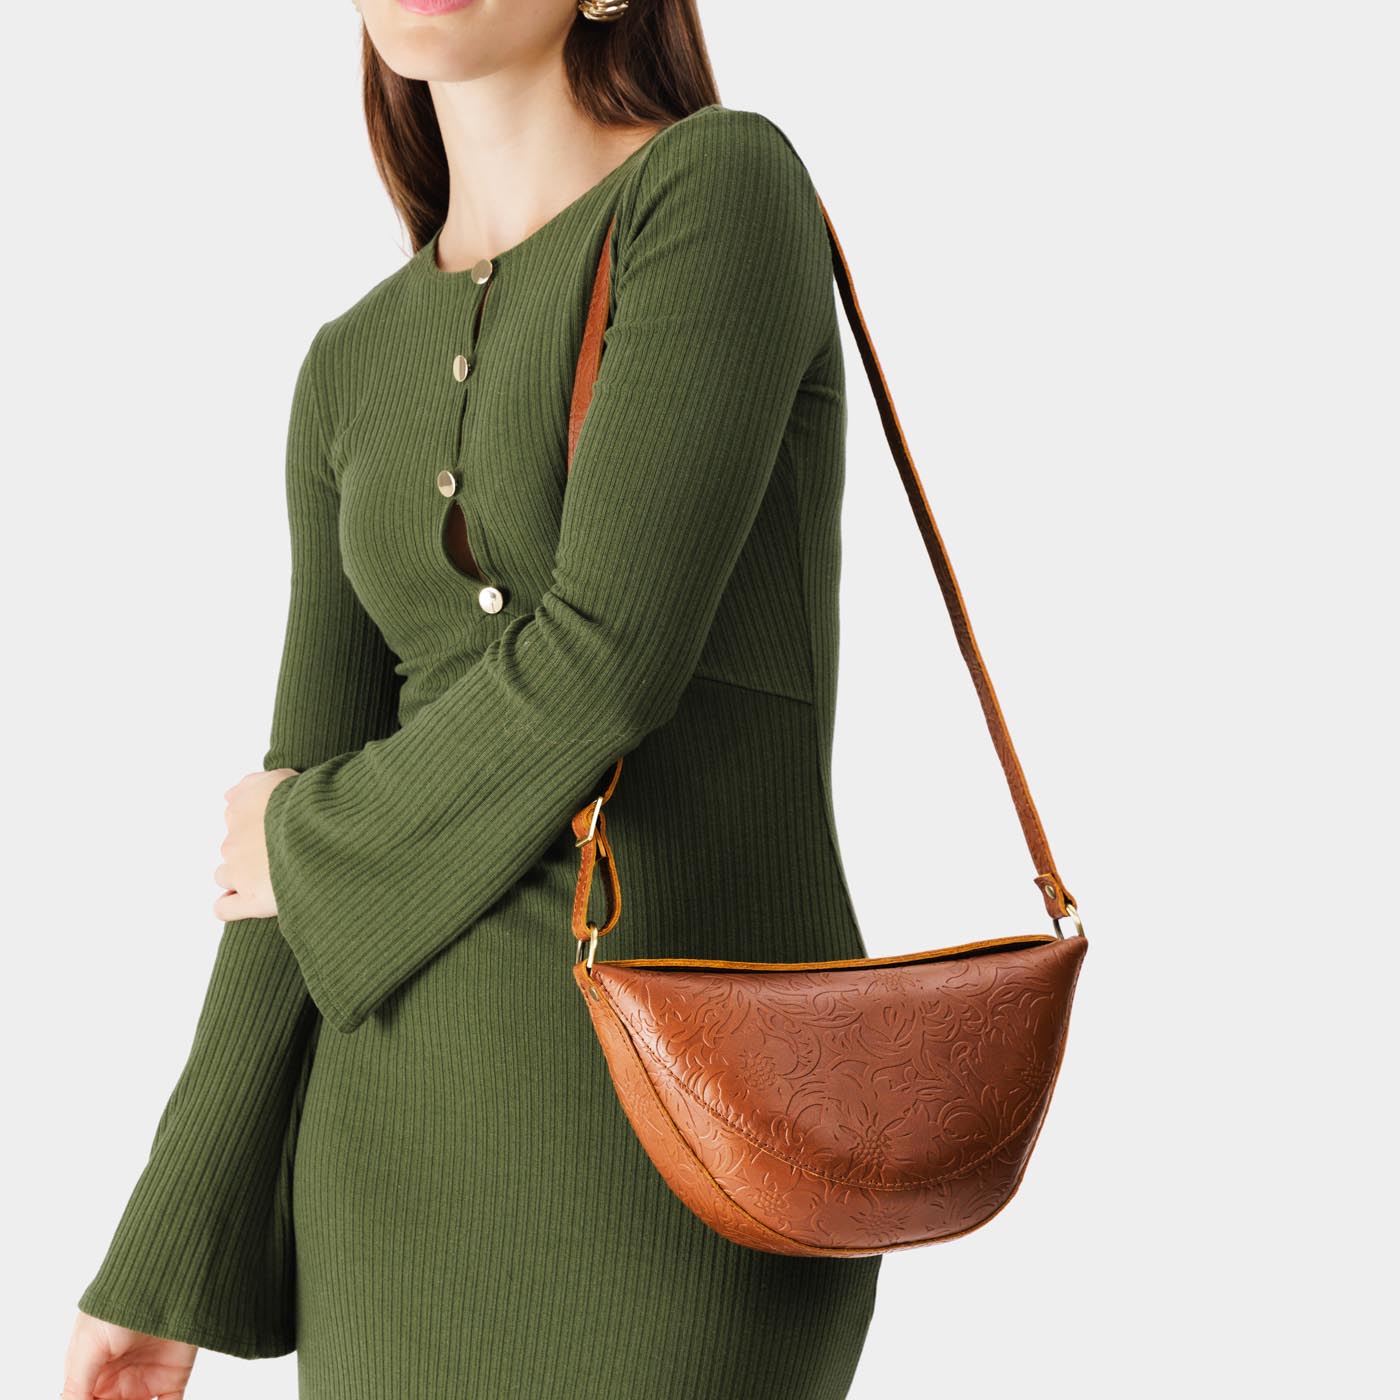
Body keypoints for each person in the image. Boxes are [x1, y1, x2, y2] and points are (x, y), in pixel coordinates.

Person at [63, 1, 883, 1396]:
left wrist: (305, 835)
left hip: (686, 1155)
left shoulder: (718, 190)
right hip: (379, 1184)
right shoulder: (347, 366)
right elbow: (285, 856)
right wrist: (163, 1265)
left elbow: (609, 656)